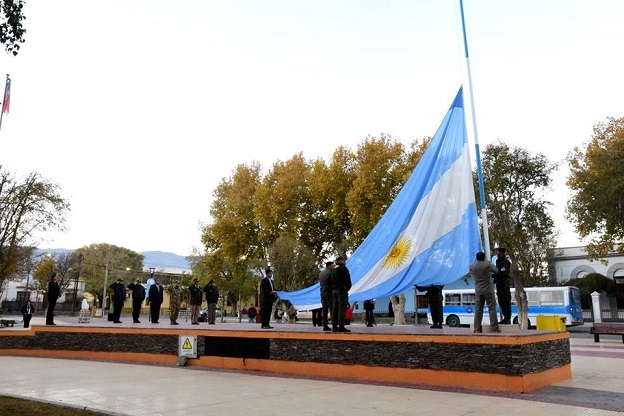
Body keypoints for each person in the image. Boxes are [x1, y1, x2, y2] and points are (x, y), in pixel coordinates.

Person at [470, 251, 501, 333]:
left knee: (478, 309)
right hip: (488, 289)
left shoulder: (472, 267)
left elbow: (472, 274)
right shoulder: (487, 265)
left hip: (478, 290)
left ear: (476, 258)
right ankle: (495, 328)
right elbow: (496, 270)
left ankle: (477, 328)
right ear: (484, 258)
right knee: (491, 308)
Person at [330, 256, 352, 333]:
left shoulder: (333, 269)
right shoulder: (343, 269)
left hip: (334, 290)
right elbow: (347, 279)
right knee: (342, 308)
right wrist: (347, 288)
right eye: (344, 260)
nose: (345, 262)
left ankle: (334, 326)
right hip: (342, 290)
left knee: (335, 308)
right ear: (341, 261)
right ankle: (341, 326)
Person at [494, 247, 512, 325]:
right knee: (501, 301)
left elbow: (503, 273)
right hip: (499, 284)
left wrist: (495, 275)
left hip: (504, 284)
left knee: (506, 301)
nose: (498, 254)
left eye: (499, 253)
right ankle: (505, 317)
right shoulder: (498, 261)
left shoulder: (506, 262)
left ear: (503, 253)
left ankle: (507, 318)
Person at [319, 260, 334, 332]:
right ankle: (334, 324)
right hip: (329, 292)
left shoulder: (321, 273)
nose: (333, 266)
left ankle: (325, 325)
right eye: (332, 265)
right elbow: (332, 282)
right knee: (332, 308)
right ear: (329, 265)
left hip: (322, 292)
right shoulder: (330, 272)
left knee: (324, 310)